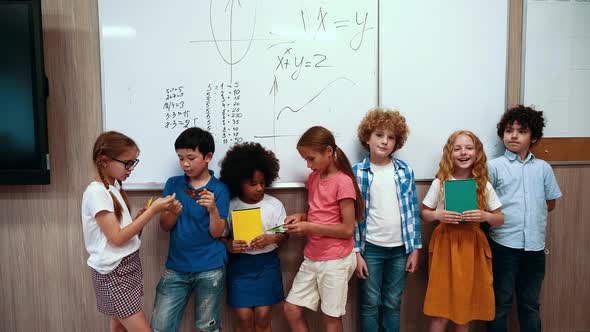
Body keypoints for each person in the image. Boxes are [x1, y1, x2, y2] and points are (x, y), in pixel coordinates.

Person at [81, 131, 176, 332]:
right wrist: (151, 212)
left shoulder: (112, 188)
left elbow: (123, 236)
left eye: (134, 162)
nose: (131, 169)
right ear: (104, 161)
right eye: (127, 163)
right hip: (114, 272)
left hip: (126, 266)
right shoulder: (96, 192)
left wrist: (141, 217)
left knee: (118, 325)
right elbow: (116, 239)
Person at [487, 105, 562, 332]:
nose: (514, 135)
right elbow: (483, 202)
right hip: (503, 246)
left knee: (530, 304)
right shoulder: (494, 166)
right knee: (500, 304)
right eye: (509, 130)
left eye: (521, 131)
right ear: (503, 134)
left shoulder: (543, 168)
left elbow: (550, 203)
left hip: (535, 248)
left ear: (534, 137)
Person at [421, 130, 504, 332]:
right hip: (445, 247)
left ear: (477, 153)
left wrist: (484, 216)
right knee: (439, 311)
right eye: (457, 148)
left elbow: (499, 218)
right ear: (449, 154)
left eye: (469, 148)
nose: (463, 153)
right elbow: (425, 213)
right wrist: (438, 215)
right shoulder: (440, 183)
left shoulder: (484, 186)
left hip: (472, 248)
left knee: (464, 313)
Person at [282, 126, 364, 332]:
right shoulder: (314, 178)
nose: (309, 165)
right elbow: (320, 213)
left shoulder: (343, 182)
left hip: (336, 259)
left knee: (331, 319)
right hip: (313, 256)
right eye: (305, 160)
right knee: (291, 309)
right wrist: (301, 217)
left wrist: (309, 226)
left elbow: (346, 230)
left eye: (311, 159)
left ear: (328, 151)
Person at [150, 127, 230, 332]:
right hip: (177, 266)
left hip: (210, 267)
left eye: (191, 158)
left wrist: (212, 209)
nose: (185, 163)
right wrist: (173, 213)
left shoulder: (219, 189)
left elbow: (216, 232)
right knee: (160, 326)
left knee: (207, 327)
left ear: (208, 157)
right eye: (180, 158)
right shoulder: (173, 184)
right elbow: (164, 226)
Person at [352, 108, 421, 332]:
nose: (385, 142)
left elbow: (412, 210)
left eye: (391, 137)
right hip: (370, 249)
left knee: (392, 303)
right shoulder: (357, 173)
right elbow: (352, 216)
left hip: (400, 249)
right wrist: (356, 253)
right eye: (379, 135)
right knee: (370, 304)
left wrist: (415, 249)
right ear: (367, 138)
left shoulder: (404, 171)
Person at [218, 142, 287, 332]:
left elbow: (284, 232)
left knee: (264, 316)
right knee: (244, 316)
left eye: (262, 183)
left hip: (267, 264)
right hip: (240, 266)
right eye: (253, 183)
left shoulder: (274, 204)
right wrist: (230, 245)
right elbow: (221, 237)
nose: (259, 188)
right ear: (239, 182)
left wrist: (271, 239)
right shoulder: (231, 205)